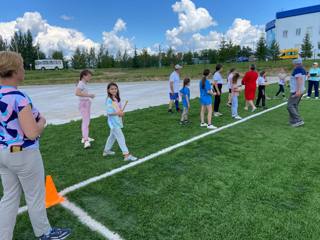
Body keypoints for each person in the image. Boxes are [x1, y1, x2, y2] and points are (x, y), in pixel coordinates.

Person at [0, 51, 71, 240]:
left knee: (9, 196)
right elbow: (31, 132)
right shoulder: (19, 97)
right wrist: (42, 122)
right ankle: (44, 232)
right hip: (23, 153)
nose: (24, 70)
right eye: (22, 66)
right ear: (14, 71)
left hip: (2, 153)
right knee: (34, 196)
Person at [103, 82, 138, 161]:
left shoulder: (115, 98)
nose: (114, 90)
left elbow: (118, 110)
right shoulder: (109, 100)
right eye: (112, 89)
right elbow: (109, 113)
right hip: (113, 123)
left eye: (115, 88)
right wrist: (118, 113)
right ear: (108, 90)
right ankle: (126, 155)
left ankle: (106, 150)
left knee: (112, 136)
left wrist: (120, 113)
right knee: (121, 138)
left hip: (117, 121)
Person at [75, 70, 95, 149]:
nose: (90, 78)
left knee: (87, 121)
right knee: (85, 122)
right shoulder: (81, 83)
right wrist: (89, 95)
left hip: (86, 103)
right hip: (83, 104)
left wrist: (88, 97)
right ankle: (86, 141)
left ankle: (85, 137)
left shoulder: (83, 83)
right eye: (89, 76)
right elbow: (77, 93)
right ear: (84, 76)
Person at [287, 58, 306, 127]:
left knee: (290, 106)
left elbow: (299, 79)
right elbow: (299, 79)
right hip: (300, 90)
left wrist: (297, 91)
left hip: (296, 91)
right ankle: (293, 121)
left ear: (296, 63)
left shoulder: (297, 69)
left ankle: (298, 120)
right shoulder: (302, 69)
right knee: (294, 105)